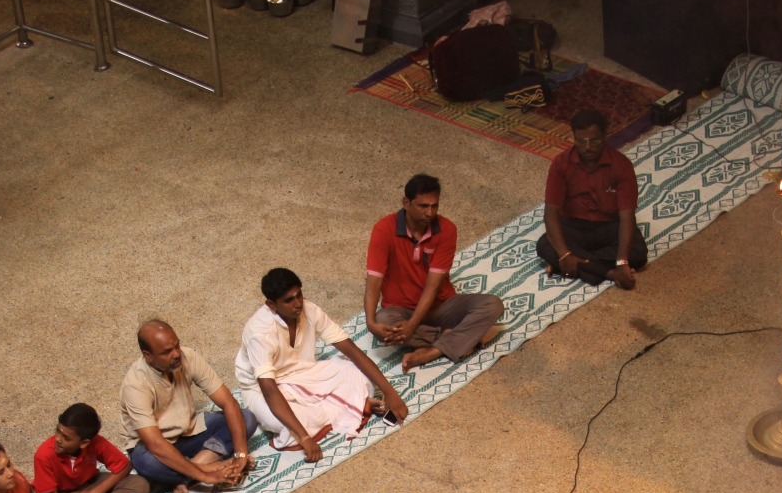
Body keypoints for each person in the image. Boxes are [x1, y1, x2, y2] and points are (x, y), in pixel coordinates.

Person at [237, 268, 408, 463]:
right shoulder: (260, 333)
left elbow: (352, 351)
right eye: (289, 300)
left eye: (299, 295)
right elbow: (269, 391)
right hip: (263, 388)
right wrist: (304, 437)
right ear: (271, 305)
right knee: (284, 425)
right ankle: (353, 404)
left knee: (355, 372)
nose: (298, 304)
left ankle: (347, 404)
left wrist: (390, 392)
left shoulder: (309, 310)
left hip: (305, 374)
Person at [364, 174, 504, 371]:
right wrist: (370, 323)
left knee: (493, 305)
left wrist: (413, 325)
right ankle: (458, 339)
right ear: (406, 203)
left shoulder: (447, 230)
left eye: (434, 206)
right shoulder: (383, 229)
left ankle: (433, 350)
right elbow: (374, 282)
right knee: (383, 322)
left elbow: (433, 286)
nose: (430, 212)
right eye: (423, 206)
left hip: (442, 306)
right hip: (401, 309)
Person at [123, 320, 257, 493]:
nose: (177, 354)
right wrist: (207, 476)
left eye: (176, 345)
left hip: (190, 431)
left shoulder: (189, 357)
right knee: (146, 463)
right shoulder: (135, 385)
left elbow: (228, 403)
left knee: (246, 418)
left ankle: (183, 477)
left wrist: (241, 454)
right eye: (167, 352)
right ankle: (206, 467)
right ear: (148, 355)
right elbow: (155, 444)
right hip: (154, 446)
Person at [535, 109, 645, 289]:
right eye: (581, 141)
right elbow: (550, 213)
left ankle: (570, 264)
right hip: (573, 226)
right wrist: (564, 254)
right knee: (544, 245)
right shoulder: (561, 163)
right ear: (575, 138)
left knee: (638, 253)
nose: (587, 147)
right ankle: (608, 273)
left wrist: (622, 261)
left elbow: (627, 217)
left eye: (593, 140)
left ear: (604, 136)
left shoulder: (621, 165)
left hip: (609, 225)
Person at [35, 403, 161, 493]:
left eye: (66, 438)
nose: (58, 439)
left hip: (90, 484)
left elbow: (124, 465)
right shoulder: (44, 455)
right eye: (58, 431)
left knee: (140, 485)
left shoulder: (96, 442)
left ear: (84, 443)